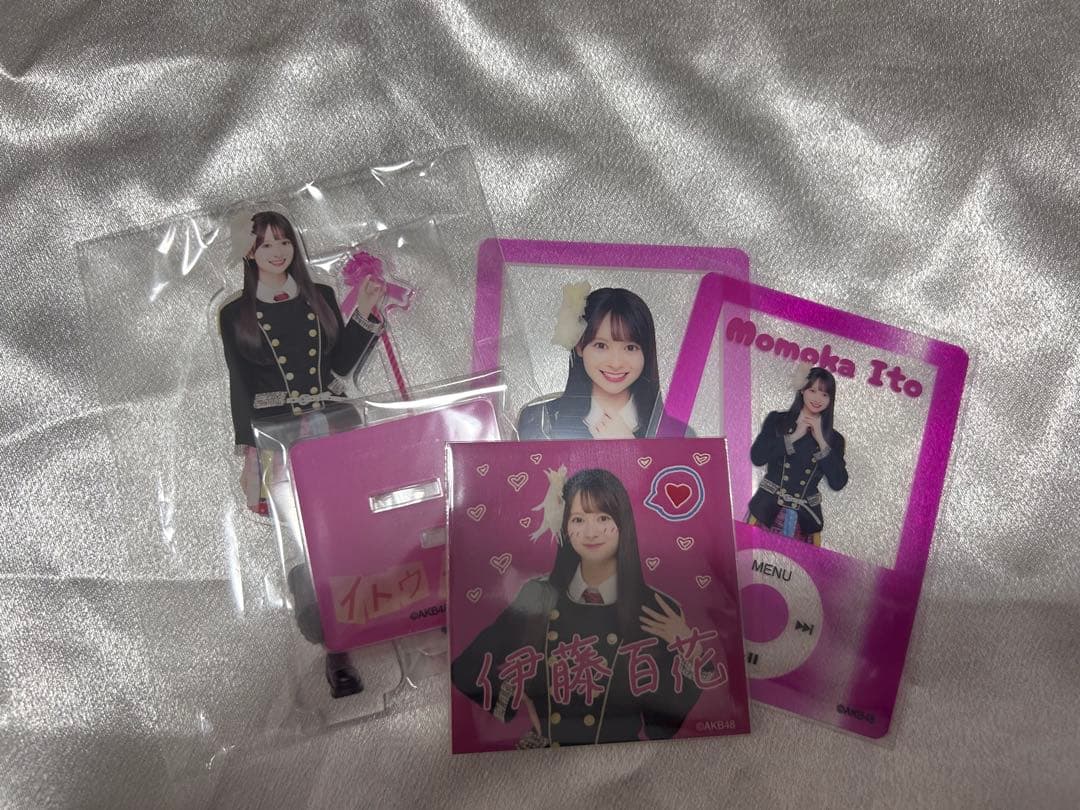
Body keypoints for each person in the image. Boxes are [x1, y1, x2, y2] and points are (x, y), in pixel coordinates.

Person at [218, 209, 385, 698]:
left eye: (284, 241)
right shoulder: (235, 314)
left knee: (354, 530)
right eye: (266, 244)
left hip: (334, 429)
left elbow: (339, 370)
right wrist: (250, 456)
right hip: (279, 440)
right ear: (249, 252)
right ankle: (336, 648)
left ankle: (389, 614)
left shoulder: (321, 296)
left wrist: (365, 312)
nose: (277, 252)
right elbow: (239, 387)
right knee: (307, 543)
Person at [452, 469, 707, 747]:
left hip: (617, 759)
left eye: (603, 518)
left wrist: (688, 649)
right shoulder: (538, 596)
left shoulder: (657, 609)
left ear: (623, 523)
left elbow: (661, 729)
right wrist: (513, 698)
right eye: (578, 519)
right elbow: (465, 668)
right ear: (565, 528)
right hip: (547, 758)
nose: (591, 532)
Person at [517, 286, 675, 440]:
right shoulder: (538, 421)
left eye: (630, 348)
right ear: (579, 346)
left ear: (646, 352)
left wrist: (630, 447)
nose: (615, 363)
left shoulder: (675, 432)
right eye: (601, 346)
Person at [747, 367, 849, 546]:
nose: (817, 398)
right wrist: (793, 437)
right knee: (753, 558)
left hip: (804, 519)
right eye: (812, 390)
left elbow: (838, 482)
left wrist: (821, 440)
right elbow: (758, 457)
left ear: (830, 399)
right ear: (802, 390)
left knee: (796, 564)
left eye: (824, 394)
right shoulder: (778, 420)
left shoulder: (835, 439)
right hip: (766, 510)